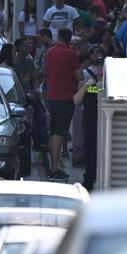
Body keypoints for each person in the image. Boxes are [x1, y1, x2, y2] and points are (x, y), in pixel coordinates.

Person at [44, 28, 79, 180]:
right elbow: (78, 75)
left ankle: (53, 165)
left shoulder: (50, 52)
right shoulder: (71, 54)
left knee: (53, 132)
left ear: (58, 36)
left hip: (51, 96)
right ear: (69, 39)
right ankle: (55, 168)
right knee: (60, 133)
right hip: (65, 97)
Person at [77, 51, 102, 190]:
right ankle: (89, 180)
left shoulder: (110, 86)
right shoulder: (89, 83)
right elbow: (76, 100)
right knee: (90, 153)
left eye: (101, 67)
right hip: (90, 124)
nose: (99, 69)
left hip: (104, 126)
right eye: (97, 66)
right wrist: (85, 87)